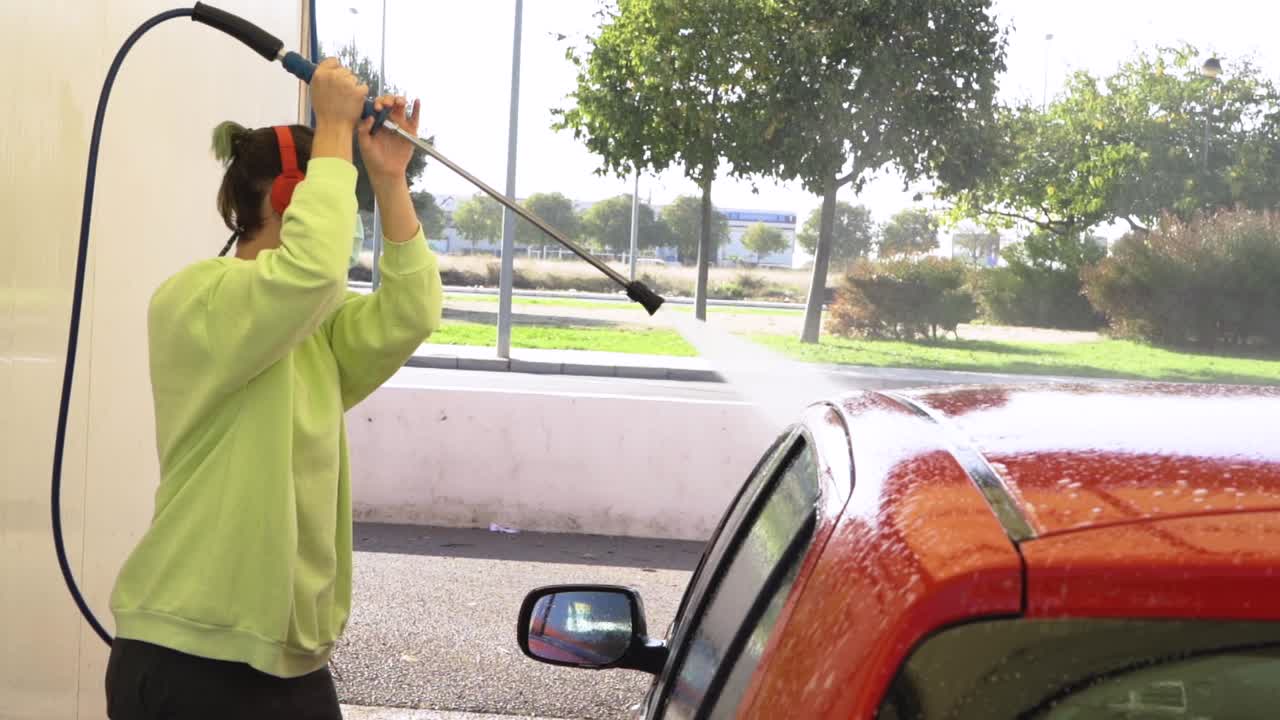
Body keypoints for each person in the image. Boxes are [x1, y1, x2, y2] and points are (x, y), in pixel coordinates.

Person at [103, 57, 442, 719]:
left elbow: (411, 311)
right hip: (190, 656)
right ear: (294, 197)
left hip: (289, 660)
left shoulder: (313, 328)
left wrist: (389, 180)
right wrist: (335, 128)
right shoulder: (197, 299)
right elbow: (312, 272)